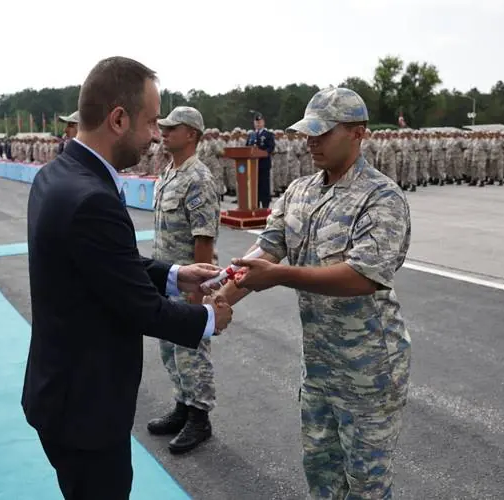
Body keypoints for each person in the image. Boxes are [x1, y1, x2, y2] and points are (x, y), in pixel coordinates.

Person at [22, 56, 233, 500]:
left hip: (61, 392)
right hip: (85, 410)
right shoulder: (90, 196)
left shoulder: (58, 175)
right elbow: (138, 306)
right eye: (152, 121)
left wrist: (176, 274)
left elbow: (107, 266)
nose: (156, 134)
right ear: (118, 119)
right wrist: (209, 319)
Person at [213, 88, 412, 499]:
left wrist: (281, 276)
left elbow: (363, 276)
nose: (311, 141)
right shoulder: (301, 191)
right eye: (308, 132)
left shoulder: (382, 197)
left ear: (358, 133)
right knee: (321, 474)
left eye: (323, 132)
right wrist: (217, 298)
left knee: (367, 486)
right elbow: (265, 248)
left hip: (369, 372)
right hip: (320, 368)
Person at [147, 106, 220, 454]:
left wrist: (200, 295)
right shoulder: (168, 173)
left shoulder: (199, 178)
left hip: (189, 281)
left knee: (192, 352)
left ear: (191, 133)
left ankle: (199, 417)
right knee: (170, 351)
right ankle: (182, 405)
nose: (164, 132)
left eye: (172, 128)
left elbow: (203, 238)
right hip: (167, 280)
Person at [246, 113, 275, 208]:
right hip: (253, 165)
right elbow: (247, 148)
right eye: (256, 122)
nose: (258, 124)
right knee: (255, 186)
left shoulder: (268, 135)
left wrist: (262, 153)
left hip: (263, 164)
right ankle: (255, 204)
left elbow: (271, 147)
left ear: (263, 123)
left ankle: (265, 206)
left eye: (260, 122)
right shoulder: (251, 135)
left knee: (264, 186)